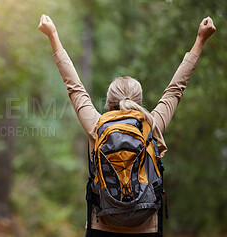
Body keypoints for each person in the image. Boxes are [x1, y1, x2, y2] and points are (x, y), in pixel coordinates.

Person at [38, 14, 216, 236]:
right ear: (138, 101)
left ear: (109, 100)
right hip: (146, 225)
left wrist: (53, 35)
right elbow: (175, 89)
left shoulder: (97, 125)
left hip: (102, 224)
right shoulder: (150, 124)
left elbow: (74, 86)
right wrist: (200, 40)